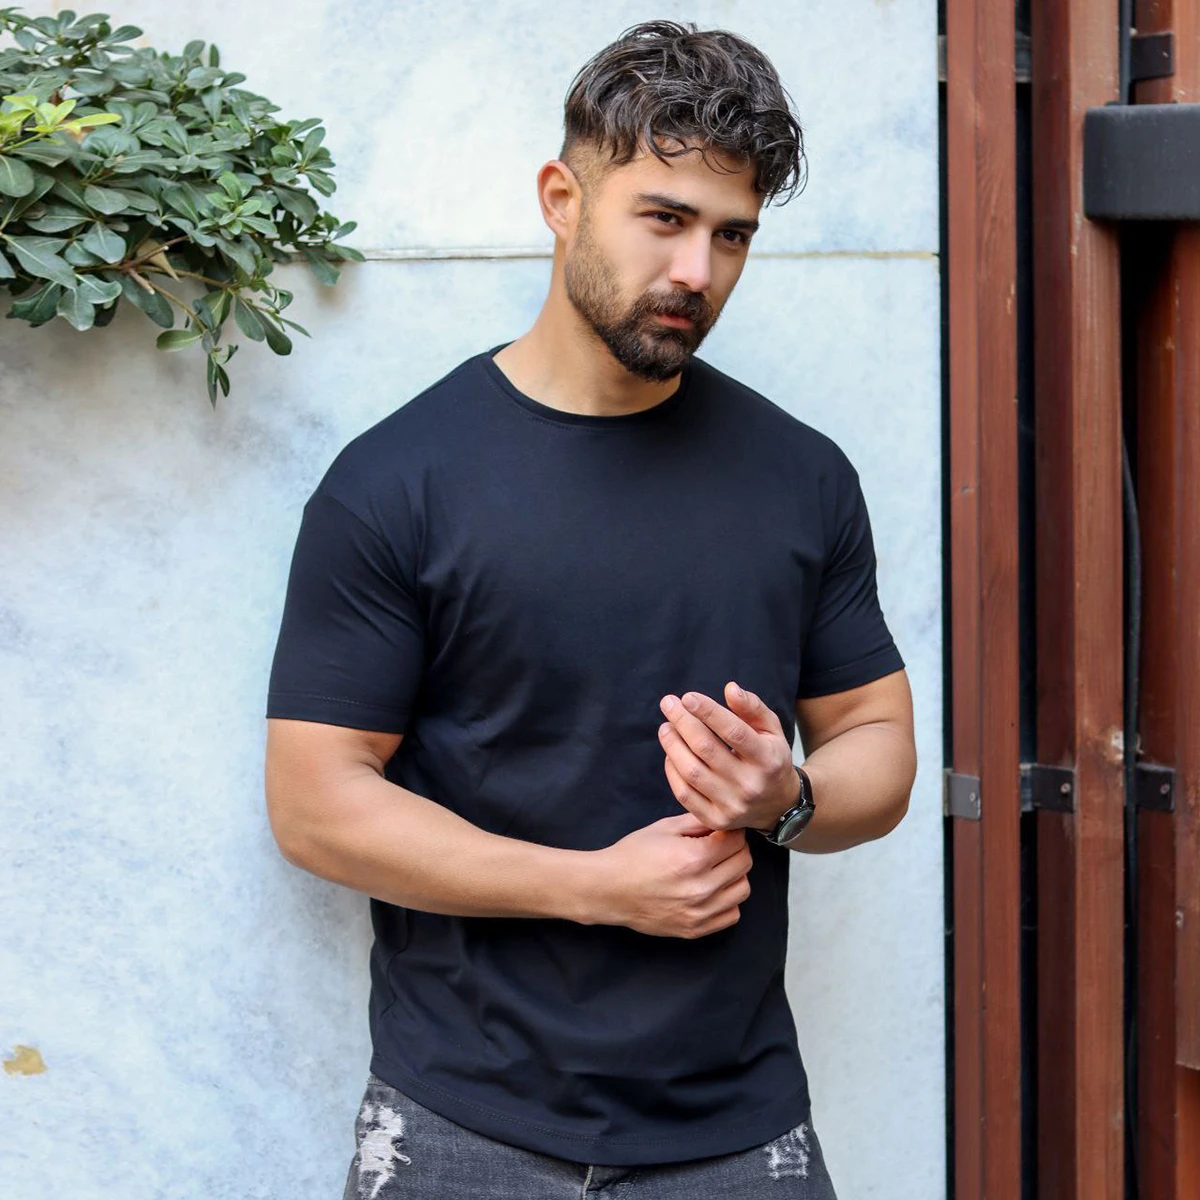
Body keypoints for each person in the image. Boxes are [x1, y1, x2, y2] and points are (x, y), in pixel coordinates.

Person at [264, 19, 916, 1200]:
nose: (697, 271)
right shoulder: (397, 483)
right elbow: (316, 807)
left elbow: (878, 743)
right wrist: (595, 887)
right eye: (663, 218)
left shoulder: (802, 478)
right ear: (562, 200)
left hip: (737, 1132)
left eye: (731, 235)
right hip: (459, 1125)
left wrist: (787, 798)